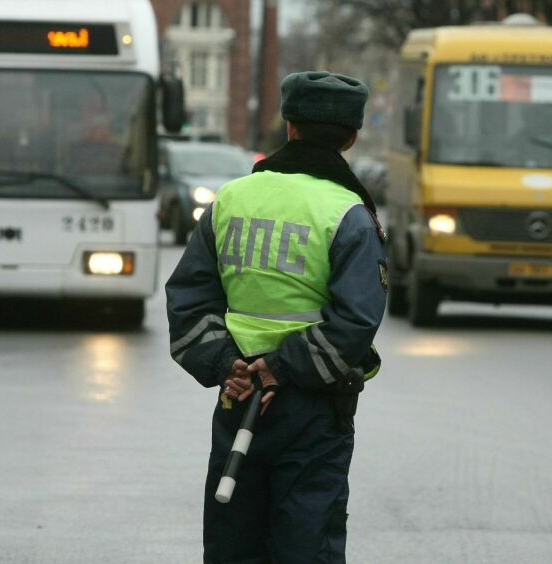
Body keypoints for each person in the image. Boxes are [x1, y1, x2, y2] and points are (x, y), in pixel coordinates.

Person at [165, 71, 387, 563]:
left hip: (237, 394)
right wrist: (281, 368)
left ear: (288, 127)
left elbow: (187, 300)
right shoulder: (348, 213)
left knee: (233, 541)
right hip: (311, 407)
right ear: (351, 137)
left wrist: (231, 365)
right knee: (306, 542)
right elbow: (356, 319)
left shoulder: (231, 198)